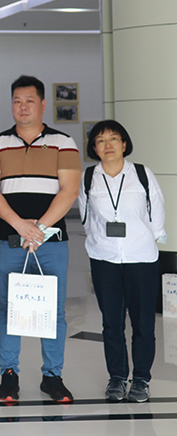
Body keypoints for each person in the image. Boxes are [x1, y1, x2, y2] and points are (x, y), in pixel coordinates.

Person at [0, 75, 80, 404]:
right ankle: (9, 374)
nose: (22, 107)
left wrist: (38, 228)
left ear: (42, 104)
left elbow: (69, 191)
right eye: (17, 101)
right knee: (8, 309)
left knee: (53, 311)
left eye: (29, 101)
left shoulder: (64, 142)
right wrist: (20, 226)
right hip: (8, 242)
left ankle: (52, 376)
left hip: (52, 243)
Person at [79, 120, 166, 403]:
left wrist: (147, 238)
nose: (108, 145)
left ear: (124, 144)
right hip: (105, 258)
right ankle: (117, 377)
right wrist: (100, 242)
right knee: (111, 323)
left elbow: (157, 211)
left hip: (141, 257)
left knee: (143, 323)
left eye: (113, 139)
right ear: (94, 148)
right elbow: (86, 218)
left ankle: (141, 379)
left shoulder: (141, 174)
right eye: (100, 140)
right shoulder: (89, 177)